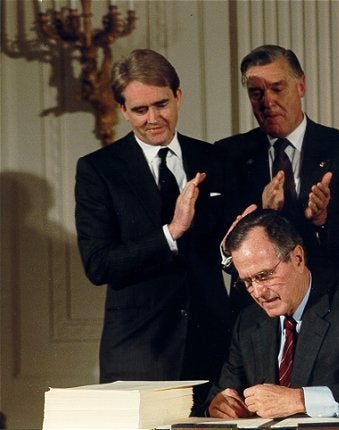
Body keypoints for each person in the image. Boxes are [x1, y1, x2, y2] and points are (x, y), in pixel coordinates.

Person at [75, 49, 236, 410]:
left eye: (161, 104)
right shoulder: (98, 170)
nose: (152, 119)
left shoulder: (214, 159)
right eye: (139, 109)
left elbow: (228, 249)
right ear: (122, 110)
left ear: (178, 96)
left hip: (210, 340)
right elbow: (98, 264)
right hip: (138, 349)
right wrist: (171, 232)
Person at [205, 209, 339, 419]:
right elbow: (224, 392)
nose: (258, 292)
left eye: (264, 275)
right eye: (247, 281)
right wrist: (218, 405)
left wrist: (300, 400)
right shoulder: (248, 322)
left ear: (298, 258)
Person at [216, 44, 339, 287]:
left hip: (328, 306)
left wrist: (324, 221)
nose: (268, 101)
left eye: (277, 88)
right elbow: (223, 255)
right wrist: (263, 216)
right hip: (258, 313)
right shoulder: (229, 154)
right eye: (256, 93)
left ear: (301, 85)